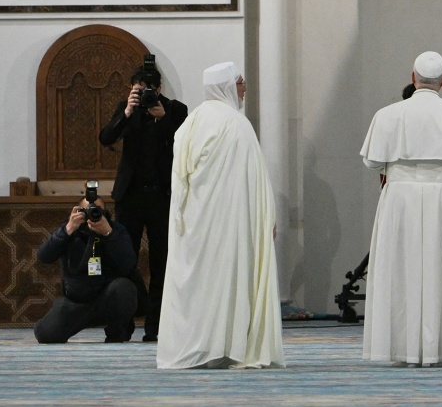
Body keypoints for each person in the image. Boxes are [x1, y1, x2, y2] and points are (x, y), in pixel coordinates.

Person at [359, 51, 442, 367]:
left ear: (412, 76)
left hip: (399, 197)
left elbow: (373, 161)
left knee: (399, 267)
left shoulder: (387, 115)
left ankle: (398, 347)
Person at [156, 62, 283, 370]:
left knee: (201, 283)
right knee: (228, 279)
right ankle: (225, 345)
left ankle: (197, 344)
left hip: (196, 223)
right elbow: (254, 180)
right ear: (226, 86)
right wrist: (265, 217)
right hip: (230, 223)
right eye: (239, 82)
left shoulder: (192, 121)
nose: (244, 88)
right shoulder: (236, 123)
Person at [99, 56, 187, 343]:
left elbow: (187, 145)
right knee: (124, 261)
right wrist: (126, 111)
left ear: (160, 88)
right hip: (130, 197)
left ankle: (156, 328)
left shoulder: (176, 110)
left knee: (162, 264)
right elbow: (105, 138)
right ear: (132, 87)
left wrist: (163, 120)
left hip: (163, 197)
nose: (148, 92)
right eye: (141, 87)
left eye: (152, 87)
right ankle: (121, 326)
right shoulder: (127, 111)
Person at [32, 195, 141, 344]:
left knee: (124, 288)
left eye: (97, 210)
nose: (92, 214)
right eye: (86, 210)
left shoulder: (116, 230)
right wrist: (68, 229)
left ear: (105, 213)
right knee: (45, 334)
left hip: (106, 299)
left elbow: (129, 263)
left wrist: (108, 234)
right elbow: (44, 256)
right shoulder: (69, 231)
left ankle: (117, 330)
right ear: (77, 212)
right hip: (77, 302)